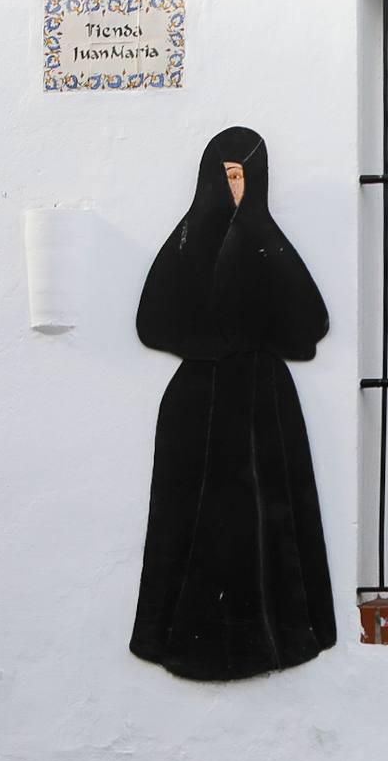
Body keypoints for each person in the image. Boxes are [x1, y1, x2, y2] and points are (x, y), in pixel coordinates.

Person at [130, 126, 335, 681]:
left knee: (271, 521)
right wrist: (219, 346)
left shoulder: (268, 241)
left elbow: (309, 326)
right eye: (225, 175)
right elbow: (153, 323)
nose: (234, 187)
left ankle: (278, 637)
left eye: (242, 175)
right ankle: (173, 636)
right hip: (197, 402)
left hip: (262, 402)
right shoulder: (189, 240)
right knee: (188, 519)